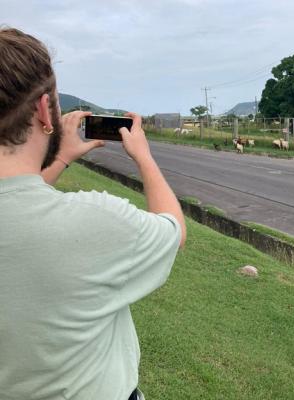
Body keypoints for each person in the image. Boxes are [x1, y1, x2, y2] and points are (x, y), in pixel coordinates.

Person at [0, 27, 186, 400]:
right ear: (42, 110)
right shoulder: (96, 220)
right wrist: (145, 158)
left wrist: (62, 157)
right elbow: (174, 230)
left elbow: (17, 197)